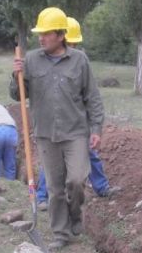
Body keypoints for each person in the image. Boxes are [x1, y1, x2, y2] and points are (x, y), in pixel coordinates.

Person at [11, 7, 104, 249]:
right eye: (39, 33)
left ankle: (75, 216)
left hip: (75, 132)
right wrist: (16, 76)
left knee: (75, 180)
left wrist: (96, 129)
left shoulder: (79, 60)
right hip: (45, 134)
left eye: (46, 33)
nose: (41, 38)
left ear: (61, 36)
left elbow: (92, 97)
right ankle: (61, 234)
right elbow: (17, 94)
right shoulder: (30, 60)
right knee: (54, 188)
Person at [35, 16, 119, 210]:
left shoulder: (79, 61)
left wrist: (94, 125)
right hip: (57, 125)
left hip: (78, 124)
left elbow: (89, 96)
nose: (72, 47)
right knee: (51, 163)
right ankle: (41, 196)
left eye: (73, 43)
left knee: (90, 154)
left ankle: (101, 187)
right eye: (71, 43)